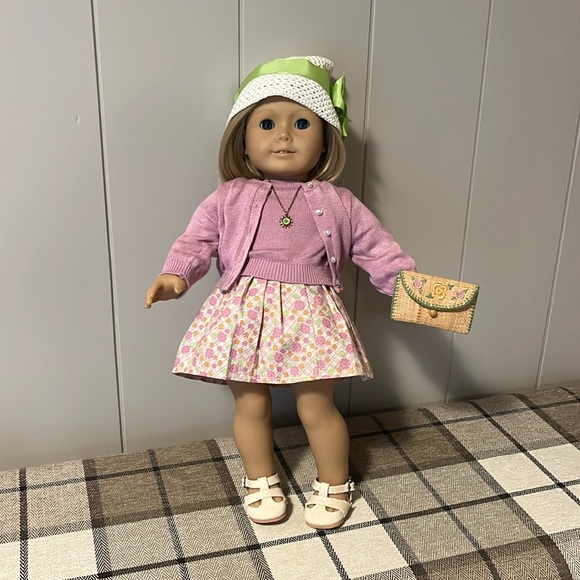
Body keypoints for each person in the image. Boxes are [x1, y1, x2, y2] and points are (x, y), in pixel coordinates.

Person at [145, 56, 416, 530]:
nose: (284, 136)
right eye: (267, 123)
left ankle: (334, 483)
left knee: (317, 406)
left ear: (326, 138)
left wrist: (410, 288)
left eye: (302, 123)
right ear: (243, 138)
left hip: (312, 313)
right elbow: (197, 241)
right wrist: (177, 275)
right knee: (251, 405)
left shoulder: (339, 202)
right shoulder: (230, 196)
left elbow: (377, 249)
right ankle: (260, 479)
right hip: (243, 310)